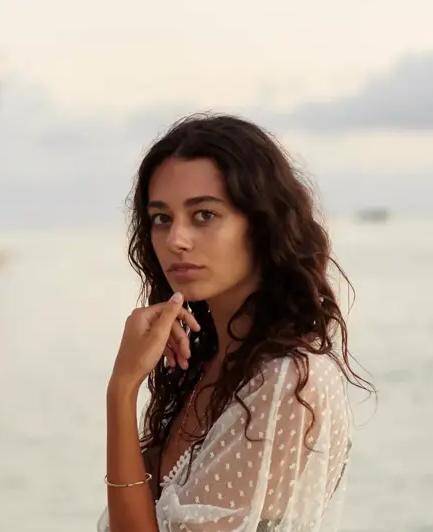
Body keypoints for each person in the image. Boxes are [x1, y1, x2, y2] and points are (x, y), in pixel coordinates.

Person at [99, 113, 372, 531]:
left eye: (204, 215)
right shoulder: (207, 362)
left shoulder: (290, 381)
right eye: (161, 218)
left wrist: (121, 391)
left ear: (262, 224)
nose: (176, 240)